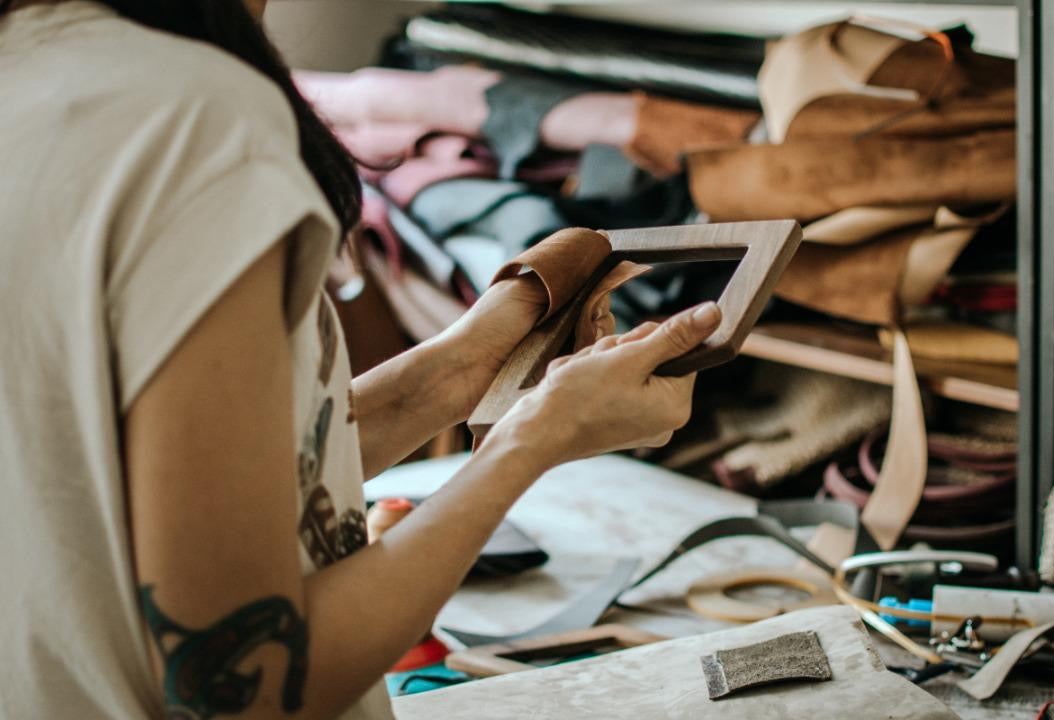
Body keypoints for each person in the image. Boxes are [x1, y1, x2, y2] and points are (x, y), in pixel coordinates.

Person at [0, 1, 722, 718]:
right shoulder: (191, 118)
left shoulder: (30, 77)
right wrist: (529, 443)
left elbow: (147, 474)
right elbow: (245, 684)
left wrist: (459, 367)